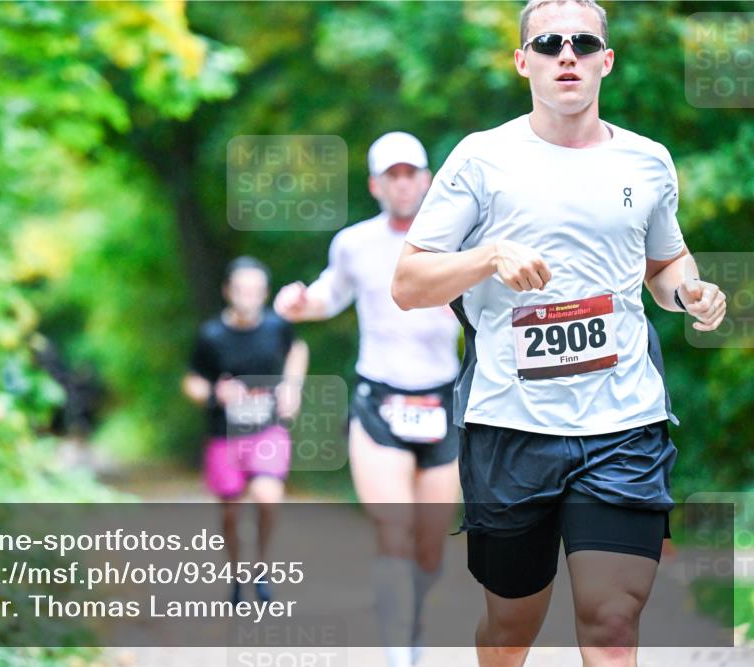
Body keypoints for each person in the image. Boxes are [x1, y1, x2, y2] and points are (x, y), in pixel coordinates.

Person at [391, 2, 727, 666]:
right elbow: (409, 282)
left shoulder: (647, 161)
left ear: (607, 59)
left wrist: (688, 290)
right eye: (548, 42)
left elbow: (664, 264)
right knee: (512, 625)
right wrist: (487, 257)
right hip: (512, 426)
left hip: (624, 421)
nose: (565, 53)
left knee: (610, 623)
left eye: (582, 42)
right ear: (524, 61)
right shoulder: (482, 158)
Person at [274, 132, 462, 667]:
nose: (403, 184)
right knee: (394, 527)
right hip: (379, 399)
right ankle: (398, 648)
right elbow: (328, 296)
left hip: (441, 403)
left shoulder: (456, 240)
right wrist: (299, 301)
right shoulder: (354, 243)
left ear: (427, 180)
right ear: (376, 185)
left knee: (430, 544)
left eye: (411, 173)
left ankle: (414, 618)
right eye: (392, 175)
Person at [183, 256, 309, 604]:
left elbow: (298, 349)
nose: (248, 296)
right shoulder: (211, 335)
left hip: (267, 429)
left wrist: (291, 386)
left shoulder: (277, 327)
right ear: (228, 291)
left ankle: (261, 567)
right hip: (224, 434)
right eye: (241, 289)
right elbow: (192, 381)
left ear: (265, 293)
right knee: (231, 511)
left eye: (255, 290)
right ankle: (238, 573)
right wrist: (213, 393)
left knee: (269, 497)